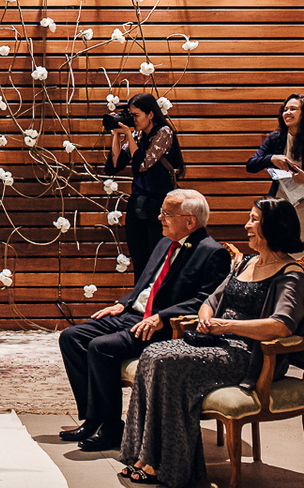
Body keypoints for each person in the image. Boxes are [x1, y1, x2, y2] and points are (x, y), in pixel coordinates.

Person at [120, 197, 304, 487]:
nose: (246, 225)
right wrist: (208, 317)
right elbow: (211, 300)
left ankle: (169, 465)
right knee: (153, 354)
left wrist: (226, 325)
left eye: (253, 220)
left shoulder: (290, 273)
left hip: (249, 354)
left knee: (168, 362)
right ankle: (145, 456)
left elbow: (281, 326)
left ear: (273, 226)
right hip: (217, 343)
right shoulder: (246, 263)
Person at [57, 188, 231, 452]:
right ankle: (94, 418)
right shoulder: (164, 242)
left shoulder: (212, 252)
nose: (160, 218)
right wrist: (123, 302)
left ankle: (113, 428)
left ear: (190, 221)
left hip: (162, 327)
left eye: (167, 214)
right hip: (133, 313)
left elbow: (206, 300)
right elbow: (147, 285)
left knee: (100, 347)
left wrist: (162, 316)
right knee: (71, 337)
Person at [105, 92, 186, 279]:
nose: (133, 120)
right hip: (138, 202)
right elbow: (113, 166)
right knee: (139, 259)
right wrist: (117, 136)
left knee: (156, 260)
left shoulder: (163, 132)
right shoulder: (137, 135)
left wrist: (129, 136)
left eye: (136, 115)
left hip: (159, 205)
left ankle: (155, 302)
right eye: (130, 115)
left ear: (150, 114)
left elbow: (142, 164)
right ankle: (139, 302)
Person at [246, 93, 304, 259]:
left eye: (293, 109)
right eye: (285, 109)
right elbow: (251, 165)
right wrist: (271, 158)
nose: (287, 112)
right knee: (276, 255)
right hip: (279, 208)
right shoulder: (275, 139)